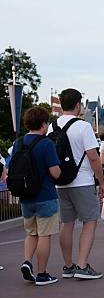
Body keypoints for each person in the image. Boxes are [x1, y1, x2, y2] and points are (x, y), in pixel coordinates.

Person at [47, 88, 104, 280]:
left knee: (67, 223)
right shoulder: (83, 126)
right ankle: (82, 265)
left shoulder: (52, 127)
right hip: (82, 181)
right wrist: (101, 181)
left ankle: (68, 265)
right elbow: (94, 158)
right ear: (78, 105)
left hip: (61, 182)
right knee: (90, 221)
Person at [11, 107, 61, 285]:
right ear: (43, 124)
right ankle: (42, 273)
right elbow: (55, 172)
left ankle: (27, 261)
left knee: (31, 233)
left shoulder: (19, 142)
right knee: (44, 235)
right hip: (45, 195)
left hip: (25, 196)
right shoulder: (47, 143)